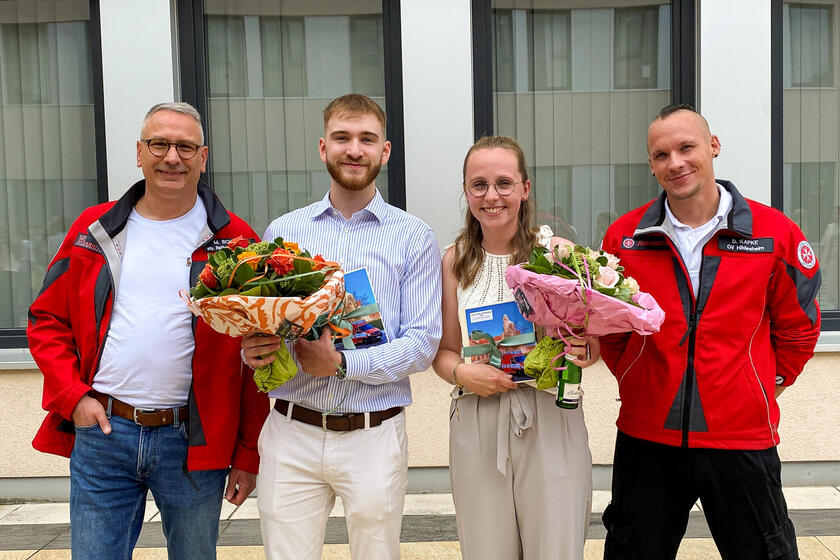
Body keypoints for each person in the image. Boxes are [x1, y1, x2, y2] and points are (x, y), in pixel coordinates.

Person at [27, 102, 269, 559]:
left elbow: (258, 357)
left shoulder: (237, 242)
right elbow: (46, 320)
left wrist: (247, 452)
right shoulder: (93, 230)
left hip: (192, 442)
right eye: (159, 144)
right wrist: (72, 397)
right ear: (139, 152)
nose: (171, 157)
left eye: (185, 146)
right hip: (104, 433)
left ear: (203, 156)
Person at [599, 104, 821, 560]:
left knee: (765, 552)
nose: (675, 163)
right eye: (661, 155)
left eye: (686, 147)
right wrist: (634, 378)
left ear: (713, 146)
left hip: (741, 438)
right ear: (651, 165)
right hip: (647, 438)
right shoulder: (625, 238)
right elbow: (613, 329)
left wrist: (764, 385)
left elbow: (799, 329)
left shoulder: (772, 234)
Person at [241, 93, 441, 560]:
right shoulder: (283, 233)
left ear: (385, 151)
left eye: (367, 139)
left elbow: (423, 343)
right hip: (292, 430)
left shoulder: (414, 236)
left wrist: (341, 363)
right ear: (322, 147)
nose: (354, 149)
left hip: (374, 434)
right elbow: (265, 323)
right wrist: (254, 351)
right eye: (342, 138)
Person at [432, 135, 597, 560]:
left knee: (555, 548)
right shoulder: (454, 260)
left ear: (525, 188)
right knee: (487, 550)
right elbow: (446, 351)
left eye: (504, 183)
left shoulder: (558, 254)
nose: (492, 196)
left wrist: (583, 350)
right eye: (479, 185)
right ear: (466, 191)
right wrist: (461, 373)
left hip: (549, 413)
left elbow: (590, 344)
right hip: (477, 416)